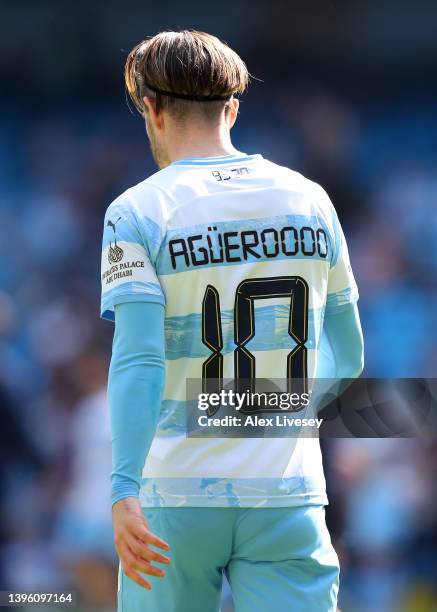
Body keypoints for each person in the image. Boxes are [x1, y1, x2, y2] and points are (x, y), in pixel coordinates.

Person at [100, 30, 364, 612]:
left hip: (175, 494)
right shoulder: (311, 199)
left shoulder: (138, 210)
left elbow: (140, 359)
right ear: (232, 108)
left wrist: (123, 490)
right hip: (287, 493)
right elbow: (349, 358)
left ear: (151, 107)